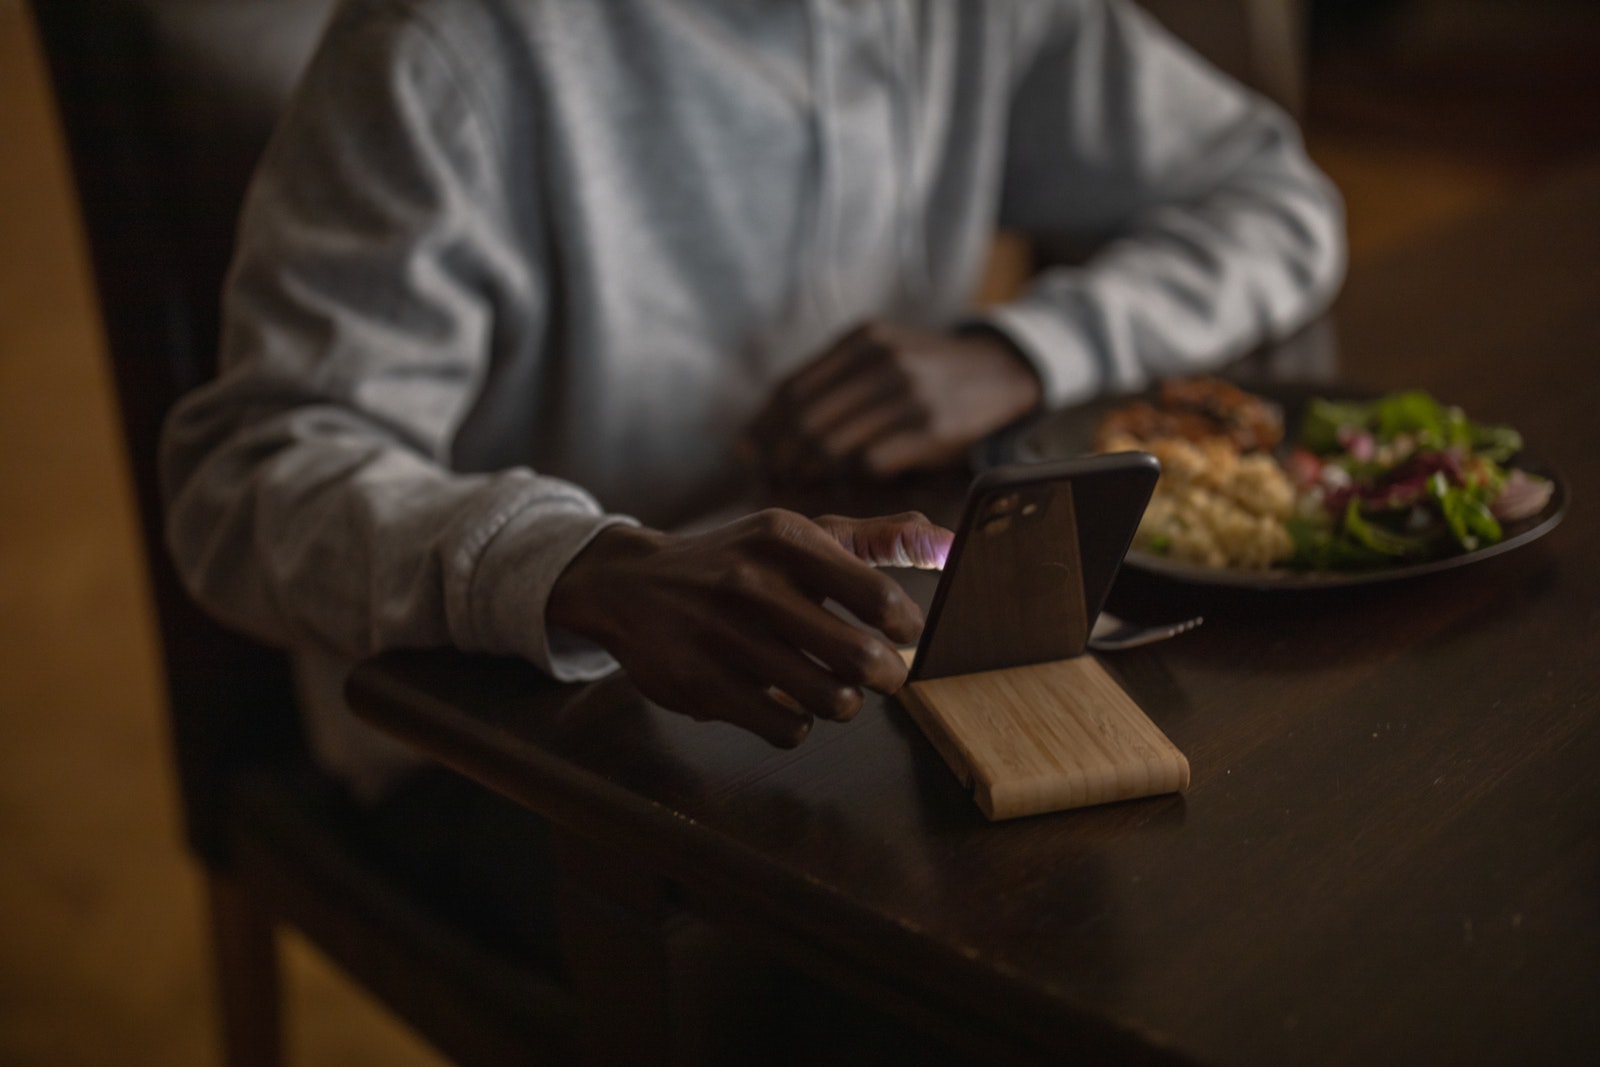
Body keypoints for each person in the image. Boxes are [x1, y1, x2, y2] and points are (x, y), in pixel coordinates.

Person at [162, 0, 1344, 802]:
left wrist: (1017, 349)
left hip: (862, 658)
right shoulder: (449, 50)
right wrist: (582, 566)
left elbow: (1274, 197)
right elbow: (248, 478)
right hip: (517, 722)